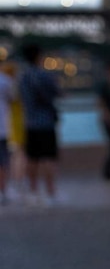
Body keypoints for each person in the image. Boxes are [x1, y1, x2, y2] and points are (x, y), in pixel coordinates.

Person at [18, 42, 62, 205]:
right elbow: (57, 92)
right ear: (38, 56)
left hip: (30, 123)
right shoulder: (43, 76)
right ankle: (51, 193)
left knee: (32, 159)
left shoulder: (23, 77)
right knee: (49, 158)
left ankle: (33, 191)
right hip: (46, 123)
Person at [0, 62, 16, 205]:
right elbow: (13, 98)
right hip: (2, 128)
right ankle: (3, 190)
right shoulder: (5, 80)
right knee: (3, 161)